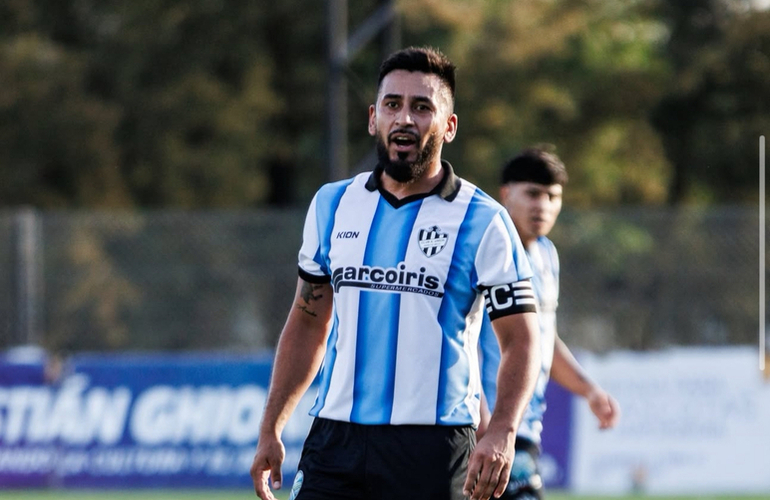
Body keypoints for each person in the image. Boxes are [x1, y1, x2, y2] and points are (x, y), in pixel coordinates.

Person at [249, 46, 541, 500]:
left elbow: (521, 340)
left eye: (422, 107)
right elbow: (307, 323)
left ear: (449, 125)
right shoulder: (332, 204)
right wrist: (272, 427)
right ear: (373, 118)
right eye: (393, 104)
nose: (405, 118)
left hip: (434, 447)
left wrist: (502, 430)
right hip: (336, 441)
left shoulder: (483, 220)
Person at [477, 147, 621, 500]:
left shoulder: (545, 256)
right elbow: (457, 344)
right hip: (487, 428)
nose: (543, 205)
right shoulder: (484, 251)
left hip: (522, 430)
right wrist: (481, 424)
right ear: (506, 194)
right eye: (533, 194)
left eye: (552, 196)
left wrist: (589, 390)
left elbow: (542, 339)